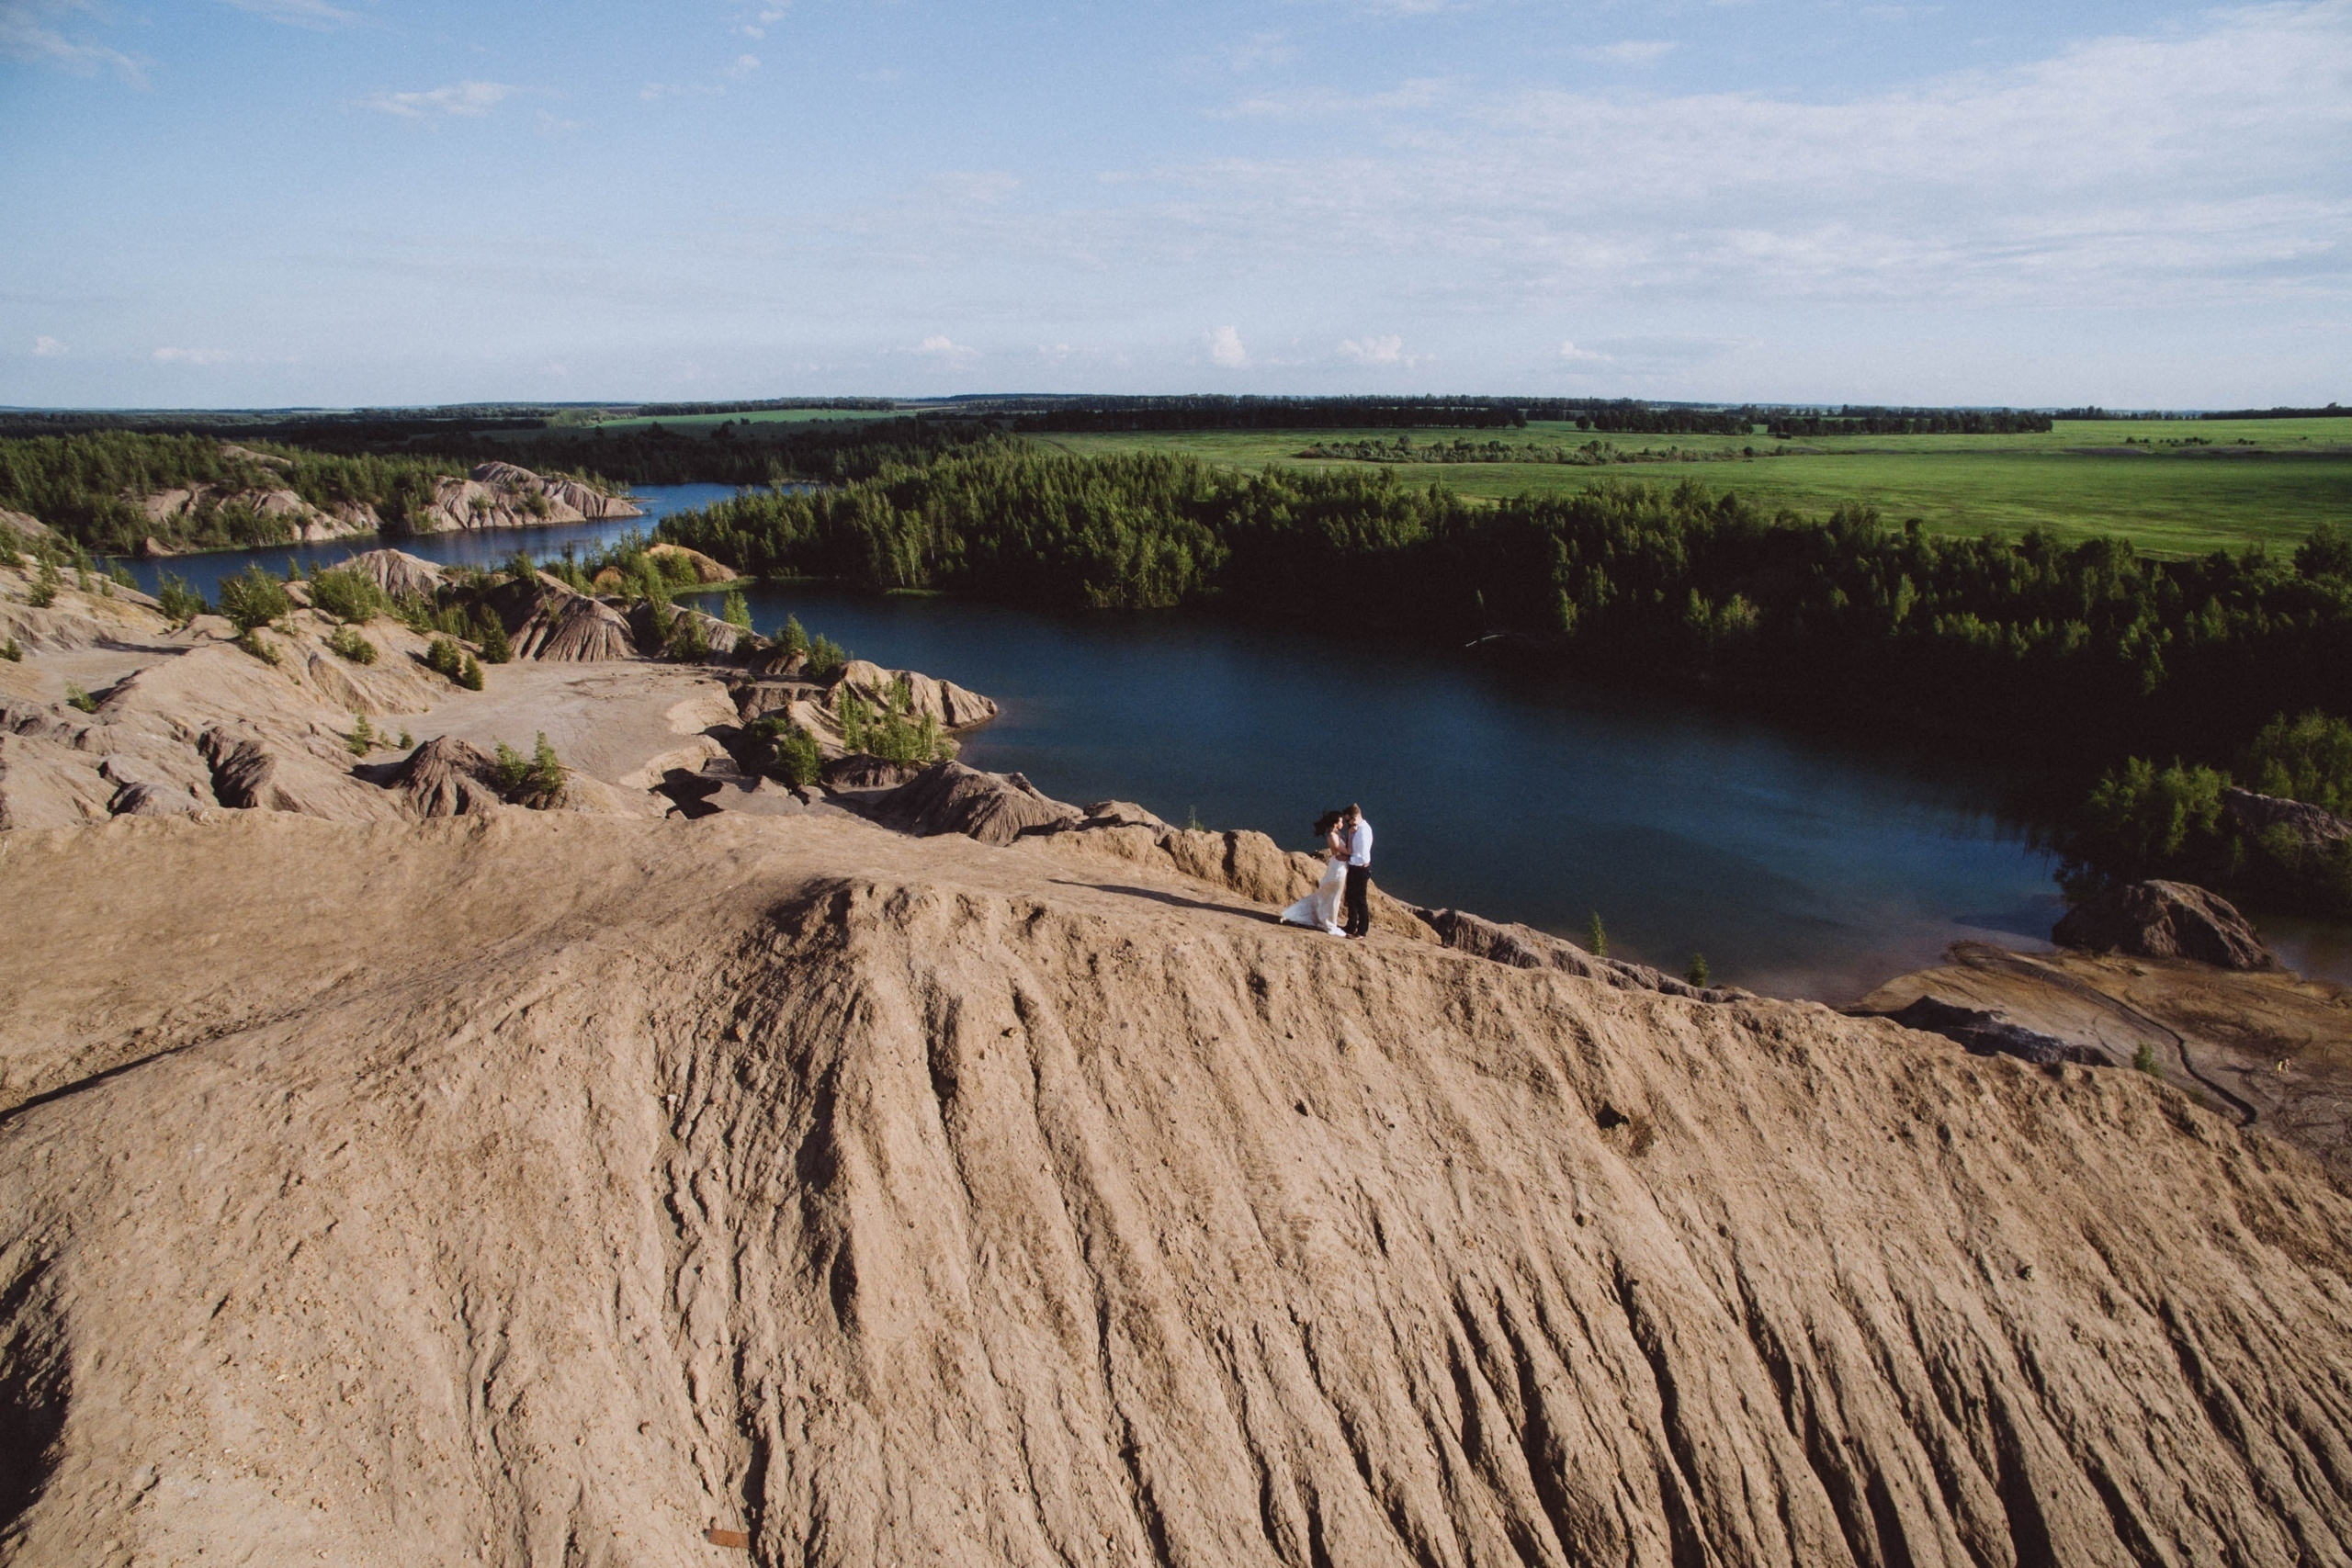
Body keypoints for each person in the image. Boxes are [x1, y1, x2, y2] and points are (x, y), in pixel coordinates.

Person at [1280, 809, 1351, 936]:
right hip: (1337, 869)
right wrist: (1352, 837)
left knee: (1330, 895)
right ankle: (1329, 924)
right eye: (1341, 821)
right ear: (1335, 823)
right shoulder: (1333, 836)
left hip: (1341, 867)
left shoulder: (1337, 833)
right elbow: (1347, 851)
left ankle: (1323, 919)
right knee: (1332, 897)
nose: (1343, 824)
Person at [1341, 803, 1374, 939]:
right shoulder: (1357, 829)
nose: (1347, 823)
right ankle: (1351, 925)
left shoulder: (1363, 832)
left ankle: (1361, 931)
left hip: (1360, 869)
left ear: (1354, 818)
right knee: (1351, 898)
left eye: (1348, 820)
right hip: (1355, 867)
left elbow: (1361, 854)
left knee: (1360, 900)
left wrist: (1349, 860)